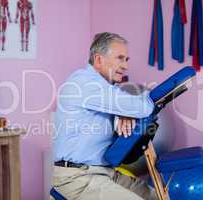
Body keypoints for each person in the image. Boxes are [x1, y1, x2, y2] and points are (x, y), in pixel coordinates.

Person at [52, 32, 156, 200]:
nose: (125, 66)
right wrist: (128, 109)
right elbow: (144, 107)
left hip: (103, 173)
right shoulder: (85, 83)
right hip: (77, 178)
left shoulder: (106, 88)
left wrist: (125, 111)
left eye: (126, 60)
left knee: (154, 196)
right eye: (120, 58)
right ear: (98, 60)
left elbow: (132, 104)